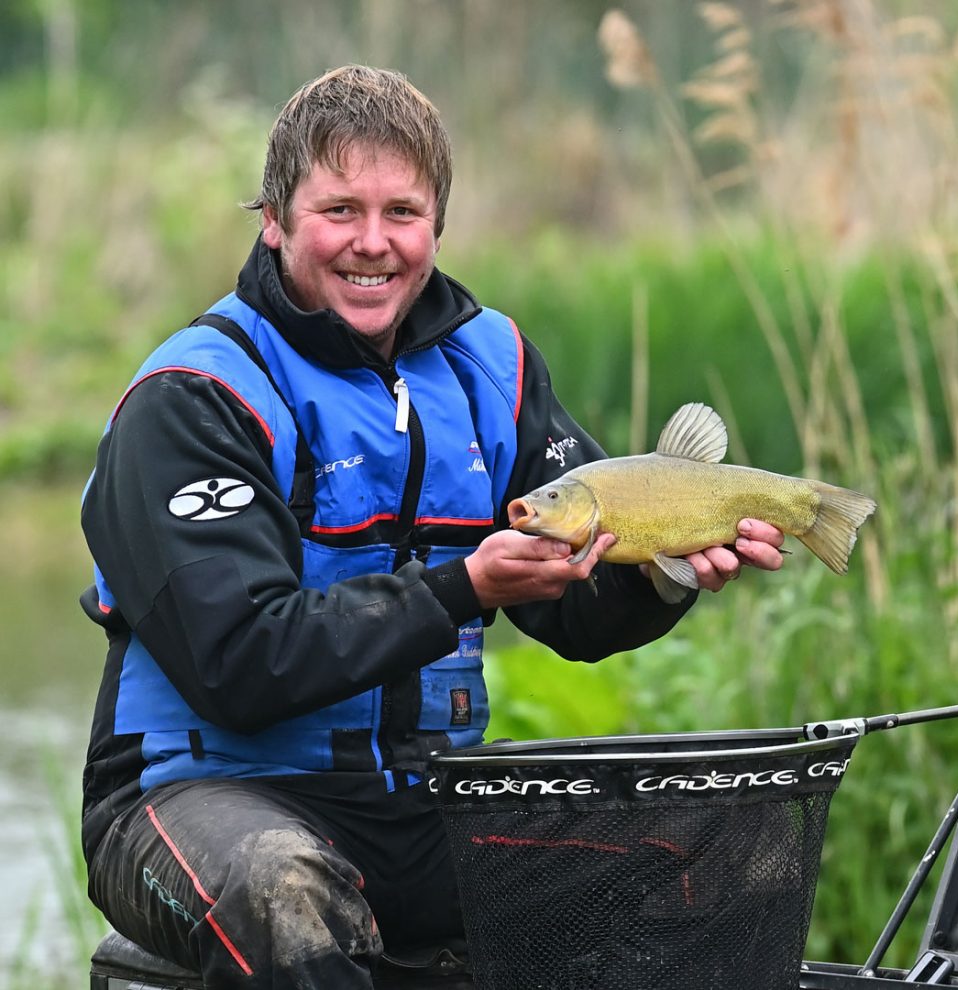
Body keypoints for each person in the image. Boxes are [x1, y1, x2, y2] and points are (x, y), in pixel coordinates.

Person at [79, 64, 785, 989]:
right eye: (340, 210)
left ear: (437, 224)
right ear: (274, 219)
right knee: (281, 890)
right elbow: (237, 664)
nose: (373, 244)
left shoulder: (492, 365)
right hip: (193, 800)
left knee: (710, 863)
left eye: (402, 213)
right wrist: (462, 588)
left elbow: (577, 617)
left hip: (425, 806)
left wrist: (667, 570)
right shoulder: (193, 399)